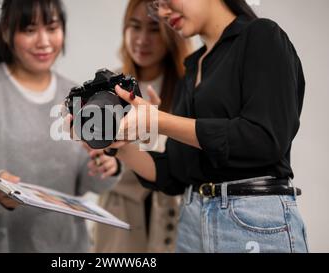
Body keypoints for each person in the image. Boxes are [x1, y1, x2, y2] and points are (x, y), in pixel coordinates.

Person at [92, 0, 308, 253]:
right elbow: (175, 173)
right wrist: (116, 144)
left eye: (164, 2)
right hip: (192, 220)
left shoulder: (261, 36)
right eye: (156, 6)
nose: (162, 13)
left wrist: (159, 121)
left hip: (252, 221)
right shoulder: (193, 68)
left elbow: (263, 138)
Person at [0, 0, 119, 253]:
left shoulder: (79, 98)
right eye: (29, 30)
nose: (44, 41)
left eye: (52, 28)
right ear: (6, 32)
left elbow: (87, 180)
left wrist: (105, 165)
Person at [93, 0, 191, 253]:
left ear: (172, 32)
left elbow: (185, 159)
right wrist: (105, 161)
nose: (142, 39)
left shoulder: (187, 87)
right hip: (118, 219)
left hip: (172, 217)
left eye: (155, 29)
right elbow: (95, 159)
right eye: (134, 27)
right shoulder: (106, 86)